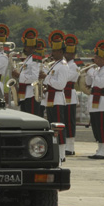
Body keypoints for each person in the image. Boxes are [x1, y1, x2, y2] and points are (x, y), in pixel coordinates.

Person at [40, 30, 69, 162]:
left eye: (56, 51)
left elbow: (61, 85)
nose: (53, 53)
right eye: (53, 50)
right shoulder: (55, 65)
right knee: (52, 126)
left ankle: (62, 154)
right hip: (50, 99)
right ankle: (56, 151)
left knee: (58, 127)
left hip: (57, 99)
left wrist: (45, 78)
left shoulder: (62, 66)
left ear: (62, 52)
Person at [85, 40, 104, 159]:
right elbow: (88, 83)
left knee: (102, 126)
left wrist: (92, 73)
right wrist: (88, 73)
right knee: (96, 126)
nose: (94, 60)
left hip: (102, 101)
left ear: (102, 58)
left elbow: (100, 83)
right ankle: (99, 149)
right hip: (94, 100)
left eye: (96, 58)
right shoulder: (96, 70)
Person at [12, 28, 41, 114]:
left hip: (31, 93)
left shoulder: (35, 58)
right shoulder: (28, 59)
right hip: (25, 93)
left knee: (31, 117)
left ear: (32, 47)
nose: (24, 48)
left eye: (26, 46)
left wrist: (19, 75)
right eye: (24, 46)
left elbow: (35, 77)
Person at [64, 34, 80, 156]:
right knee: (64, 120)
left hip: (69, 94)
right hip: (62, 95)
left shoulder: (73, 66)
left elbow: (66, 78)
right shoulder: (64, 64)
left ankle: (70, 146)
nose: (67, 55)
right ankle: (65, 145)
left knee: (70, 121)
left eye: (69, 53)